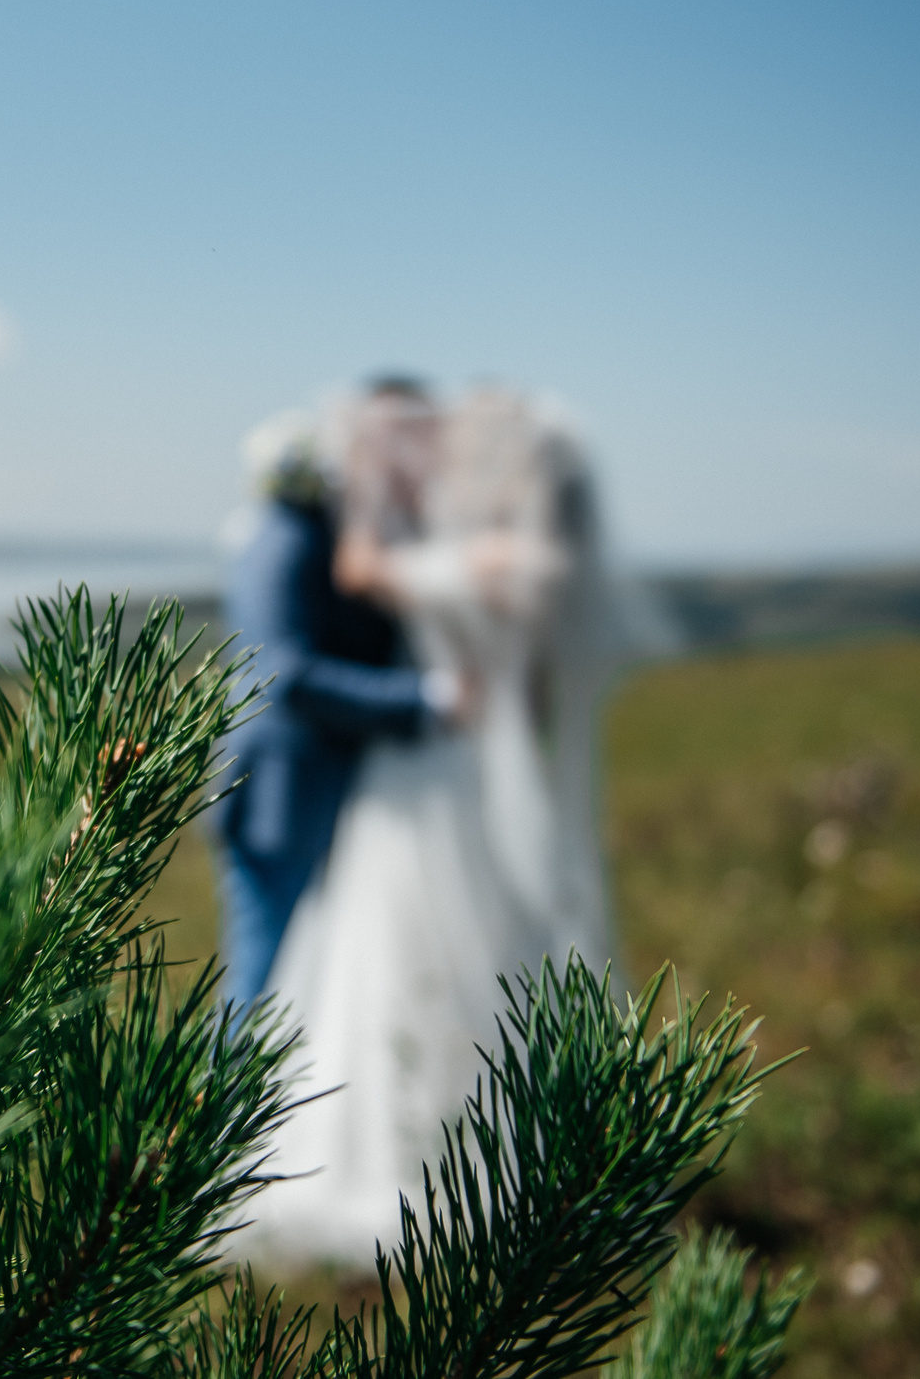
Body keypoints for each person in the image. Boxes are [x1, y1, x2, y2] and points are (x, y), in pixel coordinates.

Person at [230, 383, 644, 1270]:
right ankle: (446, 1151)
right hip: (435, 774)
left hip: (431, 774)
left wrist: (367, 474)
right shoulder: (492, 555)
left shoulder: (479, 556)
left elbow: (363, 574)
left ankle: (411, 1152)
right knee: (392, 957)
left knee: (412, 960)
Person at [209, 386, 467, 1015]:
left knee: (311, 979)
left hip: (347, 791)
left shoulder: (355, 535)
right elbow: (285, 673)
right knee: (263, 974)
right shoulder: (288, 535)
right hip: (282, 793)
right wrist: (423, 699)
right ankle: (222, 1083)